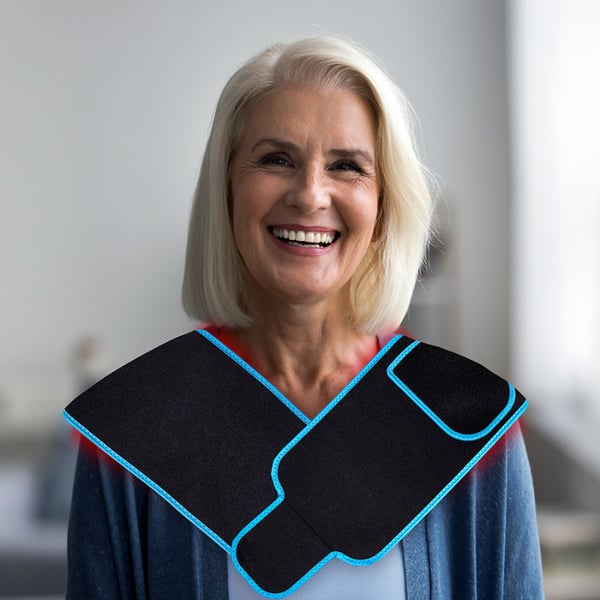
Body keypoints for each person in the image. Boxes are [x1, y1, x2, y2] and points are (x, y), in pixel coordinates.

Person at [65, 35, 544, 599]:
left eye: (347, 166)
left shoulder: (473, 428)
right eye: (276, 160)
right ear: (227, 189)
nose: (311, 194)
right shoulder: (130, 432)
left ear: (383, 208)